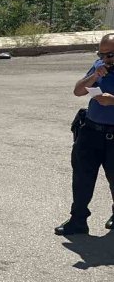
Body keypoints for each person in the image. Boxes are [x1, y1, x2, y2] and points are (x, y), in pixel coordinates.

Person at [56, 33, 114, 235]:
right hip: (91, 131)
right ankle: (78, 220)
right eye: (102, 54)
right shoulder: (99, 66)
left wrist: (112, 101)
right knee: (82, 177)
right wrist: (96, 75)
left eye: (111, 55)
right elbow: (78, 91)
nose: (106, 59)